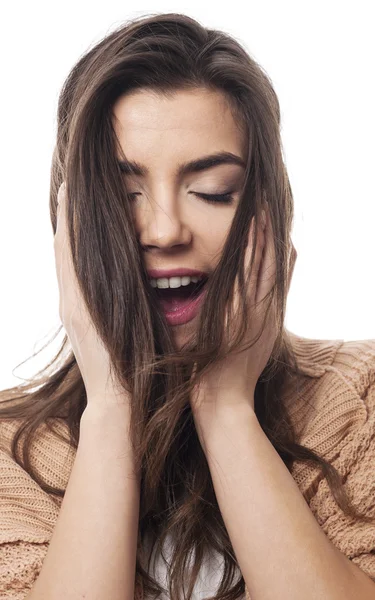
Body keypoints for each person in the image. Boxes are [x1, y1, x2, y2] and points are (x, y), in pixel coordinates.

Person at [0, 12, 375, 600]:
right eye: (125, 196)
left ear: (269, 212)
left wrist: (224, 404)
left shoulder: (364, 397)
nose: (165, 230)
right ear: (67, 226)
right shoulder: (8, 454)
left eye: (212, 192)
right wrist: (112, 406)